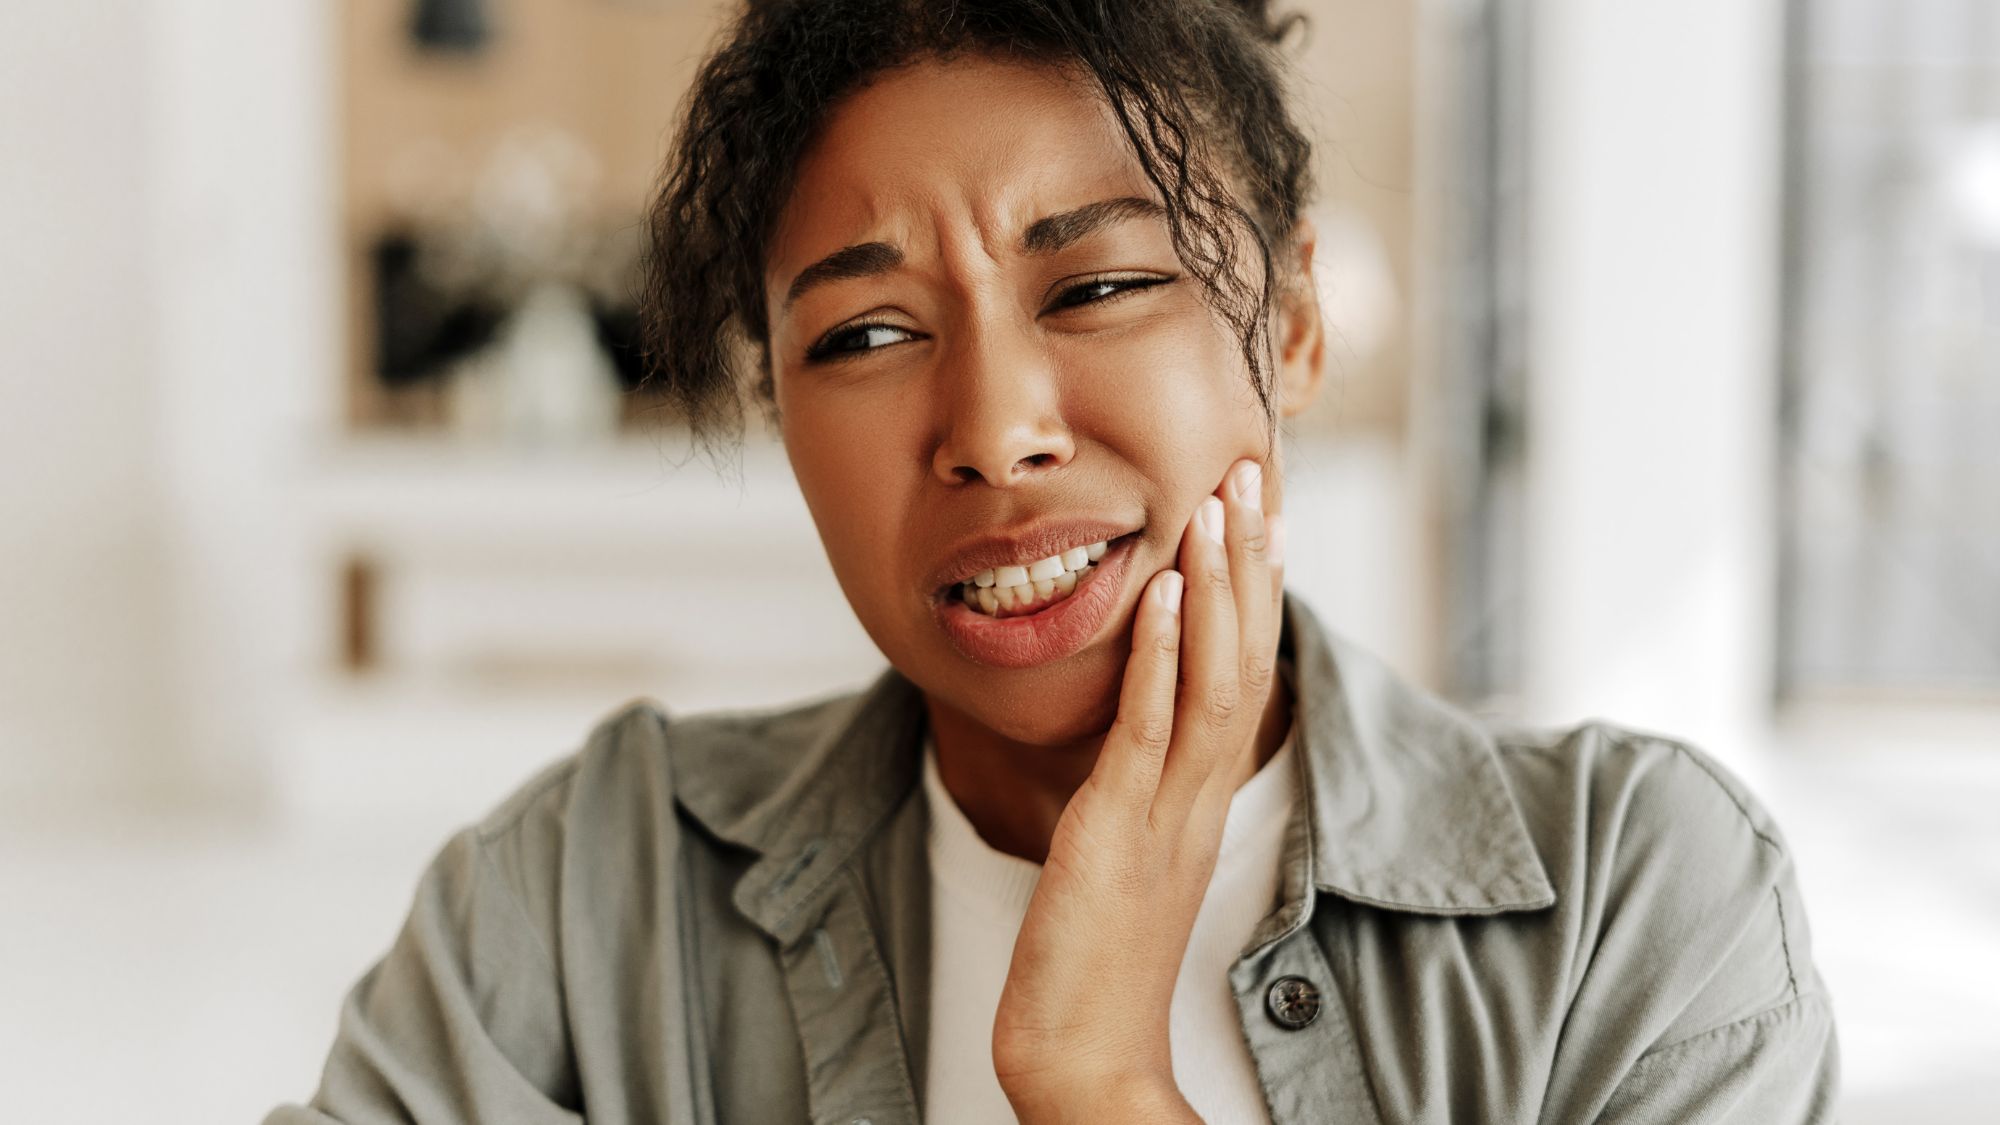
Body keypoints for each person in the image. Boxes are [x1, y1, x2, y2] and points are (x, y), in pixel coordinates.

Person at [265, 0, 1839, 1122]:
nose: (994, 429)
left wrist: (1097, 1080)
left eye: (1095, 288)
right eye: (867, 331)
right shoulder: (583, 899)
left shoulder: (1632, 914)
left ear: (1288, 324)